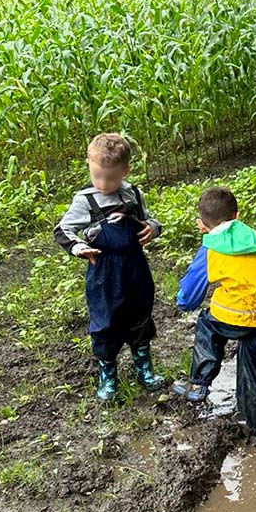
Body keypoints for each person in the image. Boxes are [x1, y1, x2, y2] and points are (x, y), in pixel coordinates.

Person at [172, 187, 256, 448]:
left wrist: (182, 302)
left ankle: (199, 383)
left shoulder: (210, 248)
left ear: (201, 225)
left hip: (236, 314)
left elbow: (190, 295)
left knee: (207, 323)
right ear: (237, 215)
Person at [54, 133, 164, 401]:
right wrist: (79, 247)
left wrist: (153, 228)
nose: (104, 184)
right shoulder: (86, 200)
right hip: (103, 270)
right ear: (89, 166)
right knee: (106, 322)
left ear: (125, 171)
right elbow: (62, 230)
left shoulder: (132, 193)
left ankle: (144, 369)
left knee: (140, 315)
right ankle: (108, 376)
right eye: (97, 176)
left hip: (135, 267)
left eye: (111, 178)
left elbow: (148, 219)